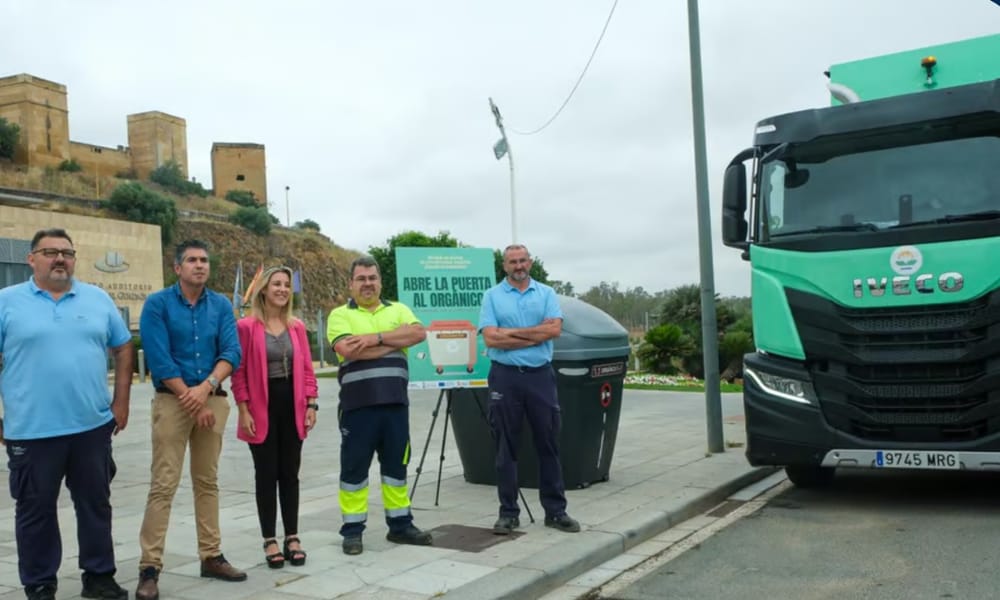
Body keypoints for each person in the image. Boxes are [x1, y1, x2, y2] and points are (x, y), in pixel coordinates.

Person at [0, 228, 133, 600]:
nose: (60, 258)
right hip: (31, 431)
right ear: (31, 259)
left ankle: (99, 576)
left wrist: (121, 402)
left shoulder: (97, 298)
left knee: (95, 506)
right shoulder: (6, 302)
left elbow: (123, 347)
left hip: (91, 427)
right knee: (35, 511)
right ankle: (40, 583)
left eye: (67, 252)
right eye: (49, 252)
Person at [135, 240, 244, 600]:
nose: (200, 265)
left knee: (207, 481)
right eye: (192, 260)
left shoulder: (221, 305)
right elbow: (159, 358)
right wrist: (193, 399)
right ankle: (149, 568)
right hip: (172, 401)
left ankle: (211, 556)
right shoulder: (158, 305)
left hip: (212, 398)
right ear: (177, 267)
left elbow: (231, 352)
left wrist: (208, 386)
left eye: (204, 260)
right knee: (163, 484)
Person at [326, 256, 433, 555]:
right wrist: (394, 343)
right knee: (354, 471)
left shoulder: (398, 309)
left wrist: (374, 338)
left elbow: (418, 333)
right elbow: (348, 350)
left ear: (380, 281)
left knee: (396, 469)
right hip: (357, 408)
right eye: (361, 278)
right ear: (351, 284)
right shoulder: (339, 315)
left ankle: (400, 526)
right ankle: (352, 531)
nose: (367, 283)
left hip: (396, 405)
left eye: (372, 278)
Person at [479, 244, 581, 535]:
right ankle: (508, 513)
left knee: (547, 444)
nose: (518, 266)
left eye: (522, 260)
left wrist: (510, 333)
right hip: (505, 378)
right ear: (504, 265)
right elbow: (491, 339)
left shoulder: (546, 293)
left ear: (530, 262)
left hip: (539, 377)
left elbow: (553, 331)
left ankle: (555, 511)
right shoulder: (492, 296)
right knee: (505, 448)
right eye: (513, 261)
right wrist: (533, 335)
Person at [230, 266, 319, 569]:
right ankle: (270, 539)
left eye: (286, 285)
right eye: (276, 284)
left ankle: (292, 537)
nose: (282, 289)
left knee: (290, 474)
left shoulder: (296, 327)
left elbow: (307, 369)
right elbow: (238, 372)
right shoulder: (246, 327)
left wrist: (311, 404)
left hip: (291, 406)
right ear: (264, 289)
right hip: (260, 407)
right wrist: (243, 409)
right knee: (266, 475)